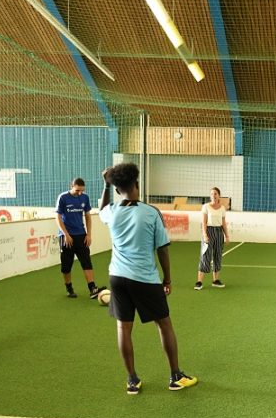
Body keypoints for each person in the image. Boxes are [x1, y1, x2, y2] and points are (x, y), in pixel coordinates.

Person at [99, 163, 197, 395]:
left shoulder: (112, 211)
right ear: (136, 184)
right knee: (164, 324)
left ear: (116, 189)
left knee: (123, 328)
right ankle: (175, 376)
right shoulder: (151, 212)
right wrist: (167, 280)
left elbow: (101, 209)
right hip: (144, 278)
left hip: (117, 277)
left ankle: (132, 380)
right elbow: (162, 248)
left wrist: (105, 185)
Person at [55, 178, 106, 299]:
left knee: (86, 261)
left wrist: (88, 234)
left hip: (81, 235)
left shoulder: (85, 197)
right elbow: (58, 217)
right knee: (66, 265)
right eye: (77, 190)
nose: (80, 193)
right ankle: (69, 288)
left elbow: (88, 216)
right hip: (66, 236)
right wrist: (66, 234)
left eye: (82, 190)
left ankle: (92, 289)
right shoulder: (63, 197)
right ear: (71, 186)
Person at [194, 187, 230, 290]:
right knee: (205, 255)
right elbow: (204, 222)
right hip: (209, 232)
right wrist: (205, 234)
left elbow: (223, 223)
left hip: (219, 232)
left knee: (218, 255)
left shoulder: (222, 208)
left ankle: (215, 280)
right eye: (212, 194)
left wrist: (227, 235)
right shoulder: (206, 207)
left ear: (219, 195)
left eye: (215, 194)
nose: (213, 195)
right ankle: (199, 282)